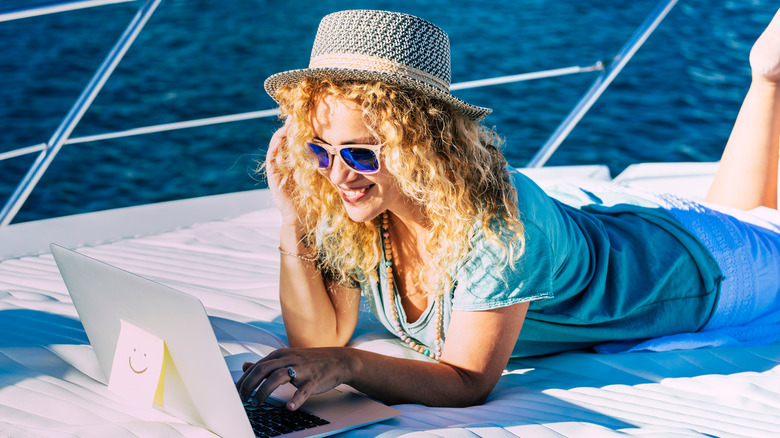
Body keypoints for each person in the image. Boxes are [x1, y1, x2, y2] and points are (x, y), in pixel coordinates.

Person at [237, 9, 780, 409]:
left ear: (421, 143)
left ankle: (765, 75)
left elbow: (468, 380)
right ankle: (768, 78)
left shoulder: (496, 224)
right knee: (738, 216)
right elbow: (318, 338)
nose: (335, 174)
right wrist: (294, 221)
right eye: (320, 149)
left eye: (360, 152)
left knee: (755, 230)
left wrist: (351, 364)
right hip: (640, 232)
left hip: (704, 273)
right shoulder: (365, 203)